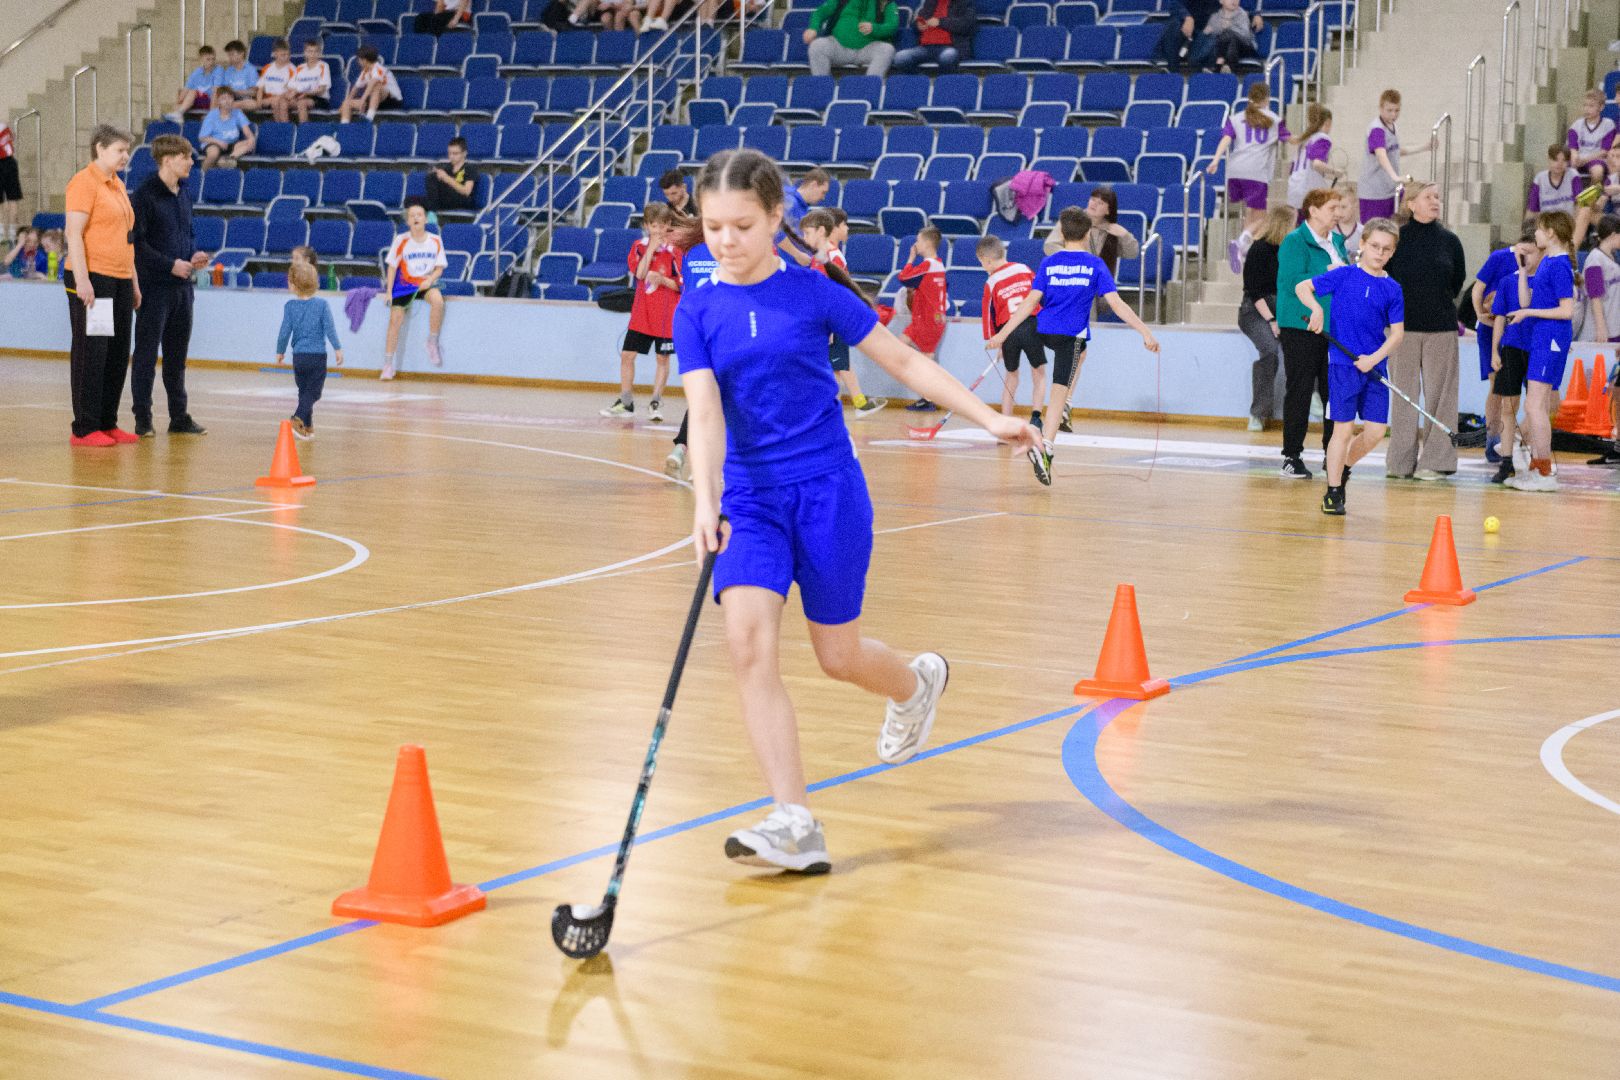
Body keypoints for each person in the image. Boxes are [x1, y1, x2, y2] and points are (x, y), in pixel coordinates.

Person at [670, 148, 1040, 873]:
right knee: (748, 645)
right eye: (713, 227)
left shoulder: (816, 293)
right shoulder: (697, 306)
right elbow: (704, 413)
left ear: (777, 218)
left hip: (828, 489)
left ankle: (914, 683)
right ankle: (794, 820)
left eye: (741, 225)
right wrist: (704, 501)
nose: (724, 242)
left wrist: (985, 419)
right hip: (749, 498)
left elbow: (903, 362)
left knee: (837, 656)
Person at [988, 206, 1161, 485]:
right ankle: (1047, 445)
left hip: (1041, 329)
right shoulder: (1095, 265)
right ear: (1088, 232)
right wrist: (1145, 332)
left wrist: (1003, 334)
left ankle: (1051, 424)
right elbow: (1116, 304)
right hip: (1071, 336)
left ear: (1061, 232)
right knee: (1058, 393)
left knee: (1040, 372)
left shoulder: (1049, 263)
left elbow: (1029, 303)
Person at [1295, 217, 1405, 516]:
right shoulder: (1343, 275)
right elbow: (1302, 287)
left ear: (1392, 252)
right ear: (1363, 245)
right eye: (1374, 247)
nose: (1379, 253)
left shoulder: (1393, 289)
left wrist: (1374, 358)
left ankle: (1342, 469)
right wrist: (1316, 308)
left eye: (1386, 249)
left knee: (1375, 433)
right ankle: (1333, 491)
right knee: (1342, 431)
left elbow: (1397, 334)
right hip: (1342, 366)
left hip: (1375, 368)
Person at [64, 125, 141, 448]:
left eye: (127, 150)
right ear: (100, 149)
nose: (125, 156)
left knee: (117, 352)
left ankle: (107, 421)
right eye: (119, 150)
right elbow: (74, 234)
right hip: (94, 278)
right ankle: (85, 427)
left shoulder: (118, 185)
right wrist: (83, 280)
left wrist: (134, 283)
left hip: (120, 279)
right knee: (92, 352)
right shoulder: (84, 182)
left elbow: (127, 239)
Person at [1384, 181, 1466, 480]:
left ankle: (1436, 462)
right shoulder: (1396, 239)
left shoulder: (1450, 241)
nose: (1435, 201)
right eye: (1428, 197)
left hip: (1440, 327)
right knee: (1403, 396)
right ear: (1412, 204)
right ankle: (1400, 462)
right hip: (1400, 329)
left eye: (1438, 197)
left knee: (1440, 397)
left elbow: (1457, 280)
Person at [130, 133, 210, 438]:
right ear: (167, 160)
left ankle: (179, 416)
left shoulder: (185, 193)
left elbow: (186, 235)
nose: (191, 162)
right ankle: (143, 418)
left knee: (177, 358)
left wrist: (192, 256)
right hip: (154, 288)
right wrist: (169, 265)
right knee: (146, 356)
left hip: (182, 289)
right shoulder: (145, 196)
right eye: (185, 157)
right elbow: (137, 245)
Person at [1274, 188, 1349, 479]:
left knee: (1334, 393)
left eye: (1340, 208)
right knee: (1301, 390)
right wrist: (1328, 274)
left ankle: (1332, 454)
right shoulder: (1295, 241)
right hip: (1301, 325)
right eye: (1333, 208)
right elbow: (1292, 280)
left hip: (1334, 326)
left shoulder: (1338, 241)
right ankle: (1291, 455)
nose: (1338, 214)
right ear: (1313, 210)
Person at [1504, 211, 1577, 491]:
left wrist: (1529, 312)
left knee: (1534, 405)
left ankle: (1543, 470)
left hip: (1551, 338)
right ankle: (1539, 467)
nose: (1534, 233)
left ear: (1551, 233)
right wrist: (1523, 273)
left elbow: (1567, 310)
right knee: (1536, 404)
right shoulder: (1547, 261)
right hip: (1542, 336)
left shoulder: (1559, 265)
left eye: (1539, 229)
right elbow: (1527, 299)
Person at [803, 208, 887, 418]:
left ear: (822, 231)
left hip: (832, 319)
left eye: (807, 233)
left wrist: (828, 323)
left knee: (834, 366)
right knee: (834, 365)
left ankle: (833, 410)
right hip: (829, 319)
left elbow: (832, 290)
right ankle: (847, 405)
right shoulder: (824, 256)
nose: (804, 238)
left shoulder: (831, 256)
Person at [600, 202, 681, 420]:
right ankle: (626, 402)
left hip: (665, 314)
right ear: (646, 226)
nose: (658, 230)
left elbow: (681, 286)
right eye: (653, 226)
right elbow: (639, 273)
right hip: (642, 314)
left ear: (668, 226)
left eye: (662, 226)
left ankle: (655, 403)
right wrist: (652, 249)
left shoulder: (675, 252)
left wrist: (663, 279)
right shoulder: (638, 246)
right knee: (627, 355)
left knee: (662, 359)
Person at [1207, 82, 1289, 273]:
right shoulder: (1274, 119)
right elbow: (1289, 139)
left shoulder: (1236, 118)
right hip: (1256, 171)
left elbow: (1226, 139)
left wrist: (1216, 160)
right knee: (1263, 217)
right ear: (1267, 98)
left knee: (1250, 213)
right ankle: (1241, 241)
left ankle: (1243, 251)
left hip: (1235, 170)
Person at [1471, 226, 1534, 465]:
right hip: (1491, 327)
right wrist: (1480, 314)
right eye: (1523, 250)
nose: (1526, 255)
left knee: (1529, 388)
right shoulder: (1499, 258)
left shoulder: (1540, 261)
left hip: (1519, 329)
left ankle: (1517, 439)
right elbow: (1478, 289)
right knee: (1497, 384)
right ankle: (1492, 438)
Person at [664, 204, 715, 482]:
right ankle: (703, 465)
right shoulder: (726, 252)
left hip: (689, 328)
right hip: (717, 329)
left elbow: (686, 289)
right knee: (718, 400)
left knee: (703, 397)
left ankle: (681, 450)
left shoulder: (691, 253)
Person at [977, 234, 1048, 431]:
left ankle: (1005, 421)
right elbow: (1039, 295)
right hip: (1031, 326)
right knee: (1039, 373)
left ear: (987, 259)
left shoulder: (991, 282)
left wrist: (994, 340)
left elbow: (987, 314)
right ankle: (1035, 417)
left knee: (1011, 376)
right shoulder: (1024, 269)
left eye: (981, 263)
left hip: (1007, 332)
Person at [1487, 240, 1537, 484]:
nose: (1525, 257)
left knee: (1541, 406)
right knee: (1509, 406)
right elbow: (1499, 318)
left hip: (1538, 348)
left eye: (1530, 253)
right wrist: (1495, 351)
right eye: (1522, 253)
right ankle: (1506, 460)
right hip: (1513, 347)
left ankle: (1527, 448)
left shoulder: (1544, 281)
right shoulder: (1507, 282)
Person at [275, 263, 344, 439]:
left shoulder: (290, 306)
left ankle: (307, 425)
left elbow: (284, 332)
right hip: (317, 356)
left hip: (299, 357)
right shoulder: (322, 305)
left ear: (292, 284)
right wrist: (337, 348)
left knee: (304, 390)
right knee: (314, 392)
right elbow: (330, 329)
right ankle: (298, 417)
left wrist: (280, 351)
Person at [1239, 206, 1293, 432]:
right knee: (1270, 351)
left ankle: (1314, 395)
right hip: (1256, 310)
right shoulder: (1259, 250)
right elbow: (1255, 292)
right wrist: (1272, 320)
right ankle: (1258, 412)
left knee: (1309, 344)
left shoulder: (1288, 252)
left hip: (1281, 307)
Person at [381, 203, 448, 378]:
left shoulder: (435, 240)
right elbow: (392, 267)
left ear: (426, 219)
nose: (416, 218)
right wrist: (389, 291)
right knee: (395, 319)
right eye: (412, 215)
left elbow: (439, 268)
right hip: (404, 284)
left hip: (425, 282)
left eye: (419, 215)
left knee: (438, 300)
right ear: (408, 221)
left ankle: (432, 341)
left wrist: (430, 280)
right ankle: (388, 365)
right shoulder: (401, 240)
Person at [1360, 88, 1433, 223]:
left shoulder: (1393, 126)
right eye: (1389, 110)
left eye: (1397, 110)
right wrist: (1395, 176)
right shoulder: (1377, 129)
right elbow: (1381, 154)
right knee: (1374, 232)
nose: (1393, 114)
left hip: (1390, 190)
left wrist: (1424, 147)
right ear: (1381, 108)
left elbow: (1397, 151)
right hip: (1374, 193)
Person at [896, 226, 948, 411]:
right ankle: (928, 396)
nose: (916, 244)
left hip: (927, 320)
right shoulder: (939, 264)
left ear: (926, 243)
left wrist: (910, 259)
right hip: (926, 319)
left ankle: (928, 397)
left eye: (918, 240)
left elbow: (903, 277)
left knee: (924, 360)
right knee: (904, 348)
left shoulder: (928, 265)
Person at [1582, 215, 1620, 464]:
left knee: (1616, 390)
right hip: (1603, 331)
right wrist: (1602, 328)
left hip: (1615, 328)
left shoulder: (1611, 259)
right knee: (1608, 389)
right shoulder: (1595, 259)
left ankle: (1616, 444)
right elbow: (1595, 296)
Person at [802, 0, 898, 78]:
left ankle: (870, 88)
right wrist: (813, 28)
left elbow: (892, 26)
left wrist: (875, 28)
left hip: (867, 49)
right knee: (817, 46)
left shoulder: (885, 3)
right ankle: (823, 89)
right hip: (839, 46)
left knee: (887, 49)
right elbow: (820, 12)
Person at [891, 0, 976, 75]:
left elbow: (967, 25)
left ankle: (942, 81)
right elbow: (917, 23)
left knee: (948, 57)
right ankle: (922, 80)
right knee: (900, 58)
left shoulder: (965, 3)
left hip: (950, 46)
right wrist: (918, 25)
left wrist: (940, 22)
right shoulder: (930, 2)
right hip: (925, 47)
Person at [1286, 105, 1338, 217]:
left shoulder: (1305, 138)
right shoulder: (1322, 138)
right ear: (1328, 122)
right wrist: (1335, 171)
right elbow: (1316, 163)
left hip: (1294, 188)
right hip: (1308, 191)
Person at [340, 45, 403, 124]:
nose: (358, 62)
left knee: (377, 85)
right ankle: (344, 127)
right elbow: (355, 88)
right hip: (375, 101)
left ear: (364, 60)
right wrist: (345, 102)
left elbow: (373, 83)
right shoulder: (364, 72)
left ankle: (369, 118)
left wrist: (362, 100)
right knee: (346, 103)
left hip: (392, 101)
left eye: (359, 59)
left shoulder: (378, 68)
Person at [197, 88, 257, 170]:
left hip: (232, 144)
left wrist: (251, 139)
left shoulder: (238, 113)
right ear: (218, 101)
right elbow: (202, 138)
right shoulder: (212, 115)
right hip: (214, 143)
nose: (227, 101)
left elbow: (247, 131)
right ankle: (202, 174)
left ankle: (229, 159)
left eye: (230, 97)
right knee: (213, 154)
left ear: (233, 99)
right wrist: (219, 142)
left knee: (249, 142)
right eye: (223, 98)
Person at [1569, 88, 1615, 193]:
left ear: (1601, 107)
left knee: (1598, 172)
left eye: (1591, 106)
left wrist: (1585, 160)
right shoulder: (1576, 125)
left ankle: (1590, 200)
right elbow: (1573, 148)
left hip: (1596, 159)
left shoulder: (1608, 125)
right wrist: (1575, 158)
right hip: (1579, 158)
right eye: (1585, 105)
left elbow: (1604, 151)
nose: (1587, 109)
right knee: (1563, 167)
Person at [1198, 0, 1260, 73]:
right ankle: (1228, 67)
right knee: (1229, 41)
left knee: (1229, 34)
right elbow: (1209, 32)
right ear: (1221, 1)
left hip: (1245, 47)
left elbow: (1245, 35)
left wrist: (1228, 27)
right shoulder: (1215, 16)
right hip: (1228, 48)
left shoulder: (1242, 14)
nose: (1234, 1)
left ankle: (1218, 66)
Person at [423, 136, 478, 215]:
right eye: (449, 153)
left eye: (455, 153)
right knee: (410, 201)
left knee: (428, 201)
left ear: (464, 153)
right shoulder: (447, 167)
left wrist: (446, 178)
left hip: (462, 200)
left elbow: (466, 191)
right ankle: (432, 209)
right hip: (445, 199)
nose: (451, 157)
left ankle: (432, 213)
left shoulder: (469, 168)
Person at [165, 45, 220, 123]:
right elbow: (185, 90)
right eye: (208, 59)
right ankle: (178, 113)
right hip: (198, 101)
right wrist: (178, 103)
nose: (211, 62)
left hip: (211, 101)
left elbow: (216, 91)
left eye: (213, 59)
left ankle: (179, 113)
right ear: (201, 59)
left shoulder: (218, 70)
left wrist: (211, 113)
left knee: (193, 91)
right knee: (190, 92)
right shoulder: (197, 72)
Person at [1527, 143, 1581, 219]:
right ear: (1549, 159)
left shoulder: (1573, 175)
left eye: (1564, 160)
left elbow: (1579, 204)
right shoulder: (1539, 179)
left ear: (1568, 162)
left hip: (1568, 223)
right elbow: (1532, 210)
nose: (1559, 164)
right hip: (1547, 224)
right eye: (1555, 160)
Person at [287, 39, 333, 125]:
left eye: (315, 52)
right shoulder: (300, 67)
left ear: (319, 54)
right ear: (305, 53)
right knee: (282, 103)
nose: (312, 54)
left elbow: (321, 90)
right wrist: (293, 94)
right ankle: (286, 130)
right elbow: (290, 86)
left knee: (301, 103)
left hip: (318, 98)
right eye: (310, 51)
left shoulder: (323, 66)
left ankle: (304, 131)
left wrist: (306, 93)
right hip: (300, 96)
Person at [255, 37, 297, 124]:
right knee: (273, 102)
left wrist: (277, 98)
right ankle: (278, 127)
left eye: (288, 54)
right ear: (275, 54)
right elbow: (260, 88)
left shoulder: (292, 69)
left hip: (284, 98)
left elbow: (292, 91)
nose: (286, 57)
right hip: (268, 98)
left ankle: (284, 127)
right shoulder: (267, 68)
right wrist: (259, 101)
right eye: (283, 55)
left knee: (278, 103)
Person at [0, 116, 22, 244]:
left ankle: (3, 231)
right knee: (12, 199)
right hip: (10, 162)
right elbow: (13, 137)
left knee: (4, 200)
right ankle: (12, 232)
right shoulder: (4, 126)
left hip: (3, 163)